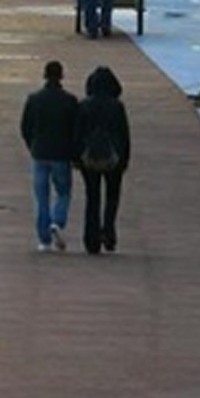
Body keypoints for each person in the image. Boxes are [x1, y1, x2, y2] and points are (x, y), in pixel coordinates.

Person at [20, 60, 80, 253]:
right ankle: (57, 221)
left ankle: (44, 239)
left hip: (40, 153)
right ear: (61, 76)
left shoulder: (34, 99)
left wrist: (32, 146)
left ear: (44, 75)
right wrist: (74, 154)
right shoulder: (70, 100)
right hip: (61, 154)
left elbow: (25, 127)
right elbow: (76, 130)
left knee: (41, 197)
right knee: (63, 192)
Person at [74, 65, 131, 255]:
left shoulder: (84, 105)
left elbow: (77, 133)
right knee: (112, 196)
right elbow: (124, 135)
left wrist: (75, 157)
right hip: (113, 156)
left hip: (89, 156)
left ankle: (91, 239)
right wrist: (125, 159)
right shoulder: (117, 106)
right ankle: (108, 231)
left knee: (92, 197)